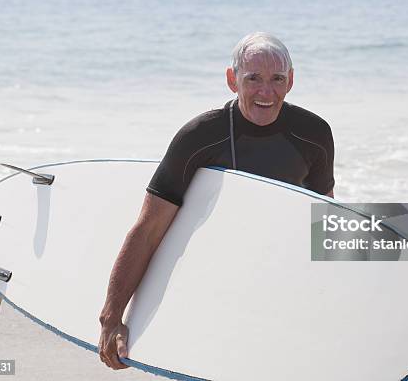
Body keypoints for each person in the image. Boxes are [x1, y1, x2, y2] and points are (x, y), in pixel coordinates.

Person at [98, 32, 335, 370]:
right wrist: (112, 317)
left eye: (277, 79)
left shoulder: (313, 134)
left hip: (278, 279)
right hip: (208, 282)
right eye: (253, 78)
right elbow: (149, 230)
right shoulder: (200, 138)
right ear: (232, 80)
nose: (266, 92)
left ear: (291, 81)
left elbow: (323, 220)